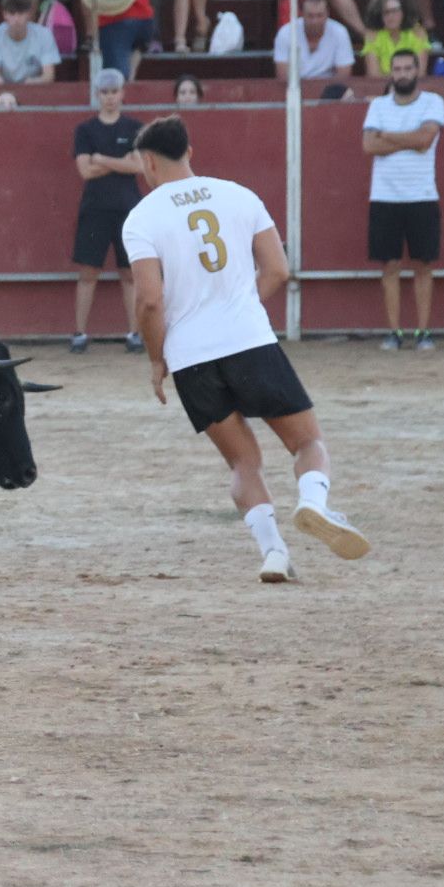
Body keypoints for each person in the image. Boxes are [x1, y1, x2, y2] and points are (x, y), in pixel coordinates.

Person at [124, 113, 371, 584]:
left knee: (242, 461)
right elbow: (278, 270)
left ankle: (274, 551)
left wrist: (157, 360)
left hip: (191, 356)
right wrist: (238, 307)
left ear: (148, 162)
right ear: (190, 153)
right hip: (250, 341)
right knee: (307, 441)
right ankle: (314, 503)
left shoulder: (142, 218)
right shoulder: (240, 196)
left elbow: (150, 300)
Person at [362, 48, 444, 351]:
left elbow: (425, 141)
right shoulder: (379, 106)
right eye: (397, 69)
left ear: (417, 71)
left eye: (407, 68)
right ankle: (395, 332)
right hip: (385, 196)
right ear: (391, 72)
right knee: (391, 266)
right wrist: (408, 138)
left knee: (423, 265)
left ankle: (423, 331)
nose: (402, 74)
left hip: (421, 194)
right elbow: (369, 146)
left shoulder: (433, 102)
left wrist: (389, 136)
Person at [70, 67, 143, 354]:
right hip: (96, 209)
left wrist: (101, 158)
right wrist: (118, 161)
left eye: (114, 92)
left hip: (127, 209)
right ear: (98, 95)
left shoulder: (135, 128)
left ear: (122, 94)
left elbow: (138, 166)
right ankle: (79, 332)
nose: (110, 97)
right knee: (88, 272)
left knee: (129, 273)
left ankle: (134, 332)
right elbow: (85, 172)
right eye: (105, 92)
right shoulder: (85, 130)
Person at [272, 0, 352, 82]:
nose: (315, 21)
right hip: (295, 90)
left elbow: (344, 74)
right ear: (302, 14)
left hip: (328, 89)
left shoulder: (340, 32)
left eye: (319, 15)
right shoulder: (286, 33)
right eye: (310, 16)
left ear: (327, 14)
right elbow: (282, 75)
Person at [0, 0, 59, 86]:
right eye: (12, 13)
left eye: (21, 13)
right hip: (4, 94)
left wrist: (32, 83)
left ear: (29, 14)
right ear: (5, 14)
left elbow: (48, 76)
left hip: (35, 90)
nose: (16, 19)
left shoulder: (45, 34)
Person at [360, 0, 430, 77]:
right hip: (382, 87)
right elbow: (373, 75)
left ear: (404, 12)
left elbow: (420, 73)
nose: (391, 16)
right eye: (386, 12)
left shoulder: (417, 32)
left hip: (411, 86)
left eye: (395, 11)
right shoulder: (373, 35)